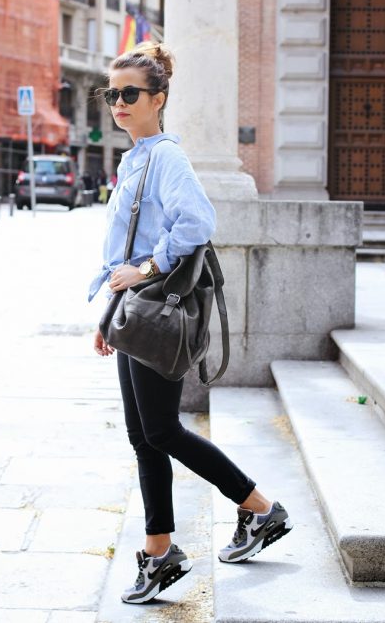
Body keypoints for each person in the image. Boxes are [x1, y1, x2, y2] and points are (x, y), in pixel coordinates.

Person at [89, 42, 293, 605]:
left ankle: (260, 509)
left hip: (159, 310)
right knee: (143, 436)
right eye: (113, 93)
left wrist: (146, 270)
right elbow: (124, 243)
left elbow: (197, 223)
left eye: (131, 93)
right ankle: (160, 551)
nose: (120, 103)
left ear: (159, 98)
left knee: (162, 431)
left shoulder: (166, 158)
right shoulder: (136, 158)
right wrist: (110, 315)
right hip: (136, 313)